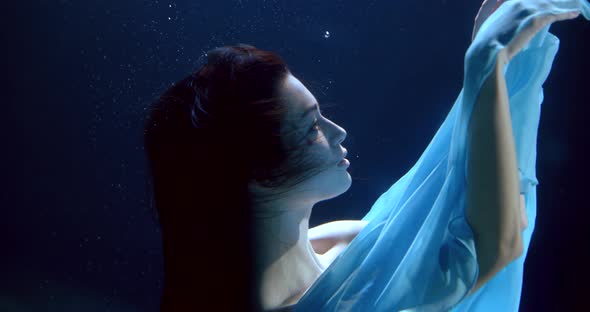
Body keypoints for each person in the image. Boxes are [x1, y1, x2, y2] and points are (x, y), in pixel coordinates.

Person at [143, 0, 589, 310]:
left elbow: (454, 198)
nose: (338, 132)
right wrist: (489, 63)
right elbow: (496, 245)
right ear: (255, 172)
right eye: (311, 126)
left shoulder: (335, 239)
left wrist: (496, 70)